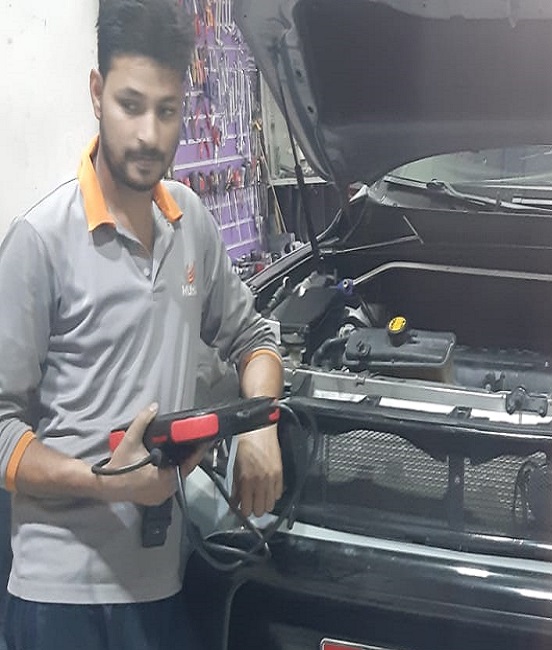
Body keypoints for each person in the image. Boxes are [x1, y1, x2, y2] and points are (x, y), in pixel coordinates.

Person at [0, 0, 284, 648]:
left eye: (167, 110)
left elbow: (255, 338)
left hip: (161, 587)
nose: (150, 135)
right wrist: (104, 483)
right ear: (96, 93)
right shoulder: (39, 241)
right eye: (131, 105)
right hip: (59, 599)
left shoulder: (190, 223)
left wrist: (261, 425)